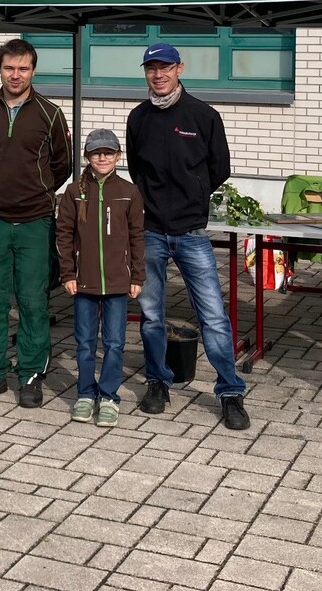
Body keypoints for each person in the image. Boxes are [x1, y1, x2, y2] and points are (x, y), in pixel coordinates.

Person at [127, 43, 250, 430]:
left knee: (213, 317)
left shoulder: (203, 115)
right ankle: (158, 382)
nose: (158, 74)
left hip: (191, 232)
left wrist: (192, 197)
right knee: (151, 316)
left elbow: (219, 167)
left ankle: (230, 391)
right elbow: (136, 168)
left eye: (165, 67)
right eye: (151, 68)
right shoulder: (138, 118)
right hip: (150, 231)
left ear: (180, 68)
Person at [0, 38, 72, 407]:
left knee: (33, 302)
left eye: (23, 68)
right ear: (0, 69)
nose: (16, 75)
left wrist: (37, 190)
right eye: (9, 68)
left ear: (33, 70)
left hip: (35, 221)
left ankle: (30, 375)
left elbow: (62, 164)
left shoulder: (50, 114)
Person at [56, 128, 145, 428]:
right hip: (83, 282)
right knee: (84, 343)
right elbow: (64, 235)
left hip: (119, 283)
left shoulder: (129, 192)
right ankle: (85, 394)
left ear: (118, 156)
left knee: (115, 343)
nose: (103, 158)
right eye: (96, 153)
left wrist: (137, 275)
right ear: (87, 157)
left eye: (108, 152)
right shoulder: (74, 192)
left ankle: (108, 397)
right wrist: (68, 273)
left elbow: (137, 237)